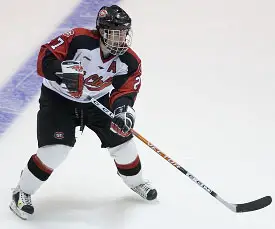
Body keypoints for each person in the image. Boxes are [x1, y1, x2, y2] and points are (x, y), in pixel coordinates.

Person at [9, 4, 157, 220]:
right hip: (59, 99)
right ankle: (21, 192)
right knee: (55, 151)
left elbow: (126, 91)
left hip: (97, 100)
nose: (121, 39)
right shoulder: (78, 39)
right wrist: (61, 72)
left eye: (124, 33)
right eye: (116, 34)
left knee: (124, 144)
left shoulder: (129, 61)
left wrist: (122, 111)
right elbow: (45, 59)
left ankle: (137, 182)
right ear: (102, 32)